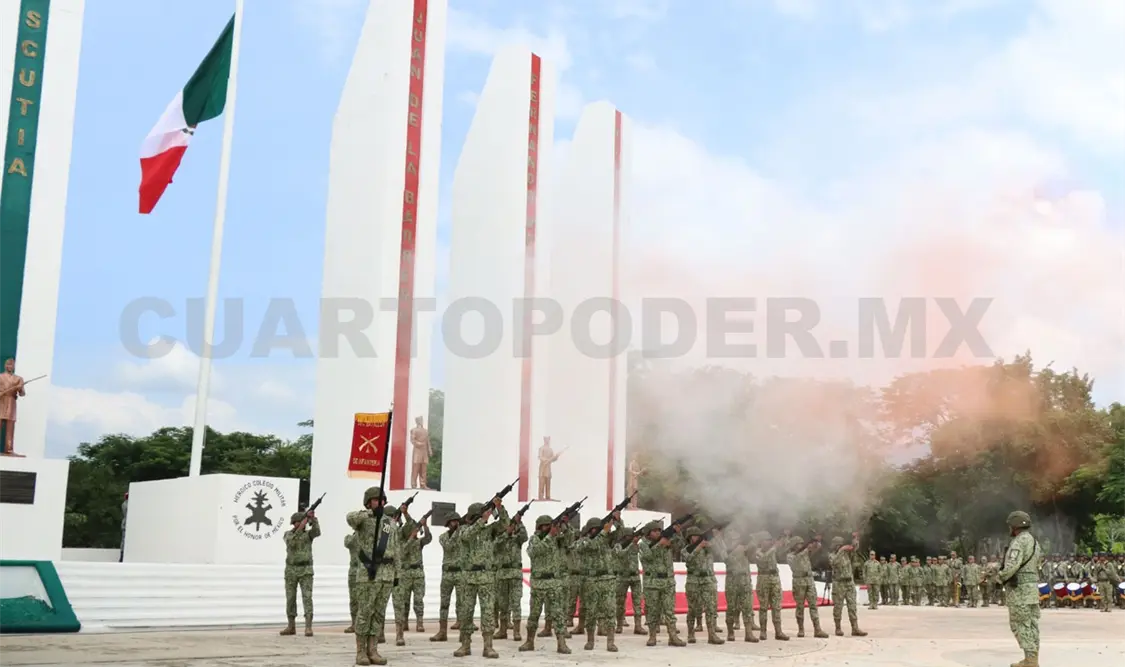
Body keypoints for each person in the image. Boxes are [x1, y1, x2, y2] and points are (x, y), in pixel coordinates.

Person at [347, 487, 401, 665]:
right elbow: (350, 518)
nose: (381, 503)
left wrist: (397, 574)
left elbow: (396, 550)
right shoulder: (363, 520)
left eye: (382, 500)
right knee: (365, 613)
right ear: (369, 502)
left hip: (386, 574)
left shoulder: (390, 524)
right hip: (369, 573)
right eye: (376, 500)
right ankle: (361, 651)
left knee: (379, 614)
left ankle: (373, 650)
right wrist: (369, 513)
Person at [453, 501, 505, 658]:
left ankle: (488, 646)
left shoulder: (490, 530)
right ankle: (465, 645)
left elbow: (505, 524)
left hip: (486, 577)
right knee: (466, 612)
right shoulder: (463, 530)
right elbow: (467, 536)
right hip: (468, 577)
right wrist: (482, 520)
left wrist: (500, 508)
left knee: (488, 612)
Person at [520, 514, 571, 653]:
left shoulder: (557, 540)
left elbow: (570, 540)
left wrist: (565, 525)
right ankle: (529, 642)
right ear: (540, 527)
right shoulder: (534, 540)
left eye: (550, 526)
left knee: (558, 615)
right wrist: (549, 536)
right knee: (534, 614)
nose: (549, 528)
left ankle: (561, 643)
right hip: (538, 583)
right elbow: (534, 552)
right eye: (546, 526)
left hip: (554, 582)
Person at [997, 510, 1041, 667]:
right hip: (1032, 589)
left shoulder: (1019, 542)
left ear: (1014, 526)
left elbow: (1012, 565)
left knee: (1019, 623)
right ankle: (1032, 658)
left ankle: (1030, 661)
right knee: (1032, 623)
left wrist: (999, 577)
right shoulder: (1034, 542)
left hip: (1019, 590)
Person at [573, 517, 619, 652]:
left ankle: (610, 642)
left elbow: (620, 535)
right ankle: (590, 640)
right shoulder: (583, 542)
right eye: (594, 529)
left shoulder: (606, 539)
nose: (596, 531)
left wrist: (617, 520)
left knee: (610, 611)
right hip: (591, 581)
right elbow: (592, 545)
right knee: (591, 612)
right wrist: (603, 532)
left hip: (607, 579)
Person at [637, 522, 686, 647]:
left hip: (668, 582)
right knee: (653, 611)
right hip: (652, 583)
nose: (658, 532)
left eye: (659, 530)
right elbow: (647, 557)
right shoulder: (643, 545)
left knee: (669, 611)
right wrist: (660, 544)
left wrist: (677, 532)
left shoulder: (667, 542)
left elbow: (680, 546)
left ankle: (673, 636)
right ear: (648, 533)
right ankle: (652, 636)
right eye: (654, 531)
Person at [280, 510, 320, 637]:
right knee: (290, 598)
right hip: (291, 570)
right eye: (299, 522)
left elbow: (317, 532)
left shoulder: (308, 535)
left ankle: (308, 626)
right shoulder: (288, 534)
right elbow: (291, 543)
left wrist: (313, 520)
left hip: (306, 570)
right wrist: (302, 525)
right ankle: (291, 626)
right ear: (294, 523)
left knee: (307, 598)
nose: (301, 524)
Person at [396, 507, 432, 641]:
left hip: (417, 573)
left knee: (418, 599)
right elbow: (403, 551)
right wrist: (411, 537)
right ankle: (404, 622)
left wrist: (425, 526)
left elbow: (428, 538)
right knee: (404, 600)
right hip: (405, 573)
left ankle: (419, 622)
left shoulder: (418, 542)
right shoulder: (402, 543)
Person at [493, 505, 528, 641]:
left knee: (516, 603)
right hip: (502, 574)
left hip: (515, 574)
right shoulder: (499, 539)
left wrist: (520, 521)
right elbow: (494, 546)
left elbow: (524, 536)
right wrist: (506, 534)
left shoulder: (517, 539)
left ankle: (517, 631)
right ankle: (502, 630)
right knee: (502, 604)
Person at [684, 527, 724, 644]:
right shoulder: (686, 549)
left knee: (711, 608)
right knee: (692, 609)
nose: (697, 538)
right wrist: (698, 548)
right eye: (694, 536)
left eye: (698, 535)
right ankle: (691, 634)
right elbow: (688, 561)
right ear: (689, 538)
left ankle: (712, 634)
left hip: (708, 581)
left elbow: (723, 553)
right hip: (693, 581)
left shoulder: (709, 548)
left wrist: (717, 539)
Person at [788, 536, 829, 638]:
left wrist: (816, 543)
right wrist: (806, 548)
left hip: (809, 580)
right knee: (800, 606)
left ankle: (817, 629)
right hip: (799, 581)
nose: (801, 546)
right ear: (794, 545)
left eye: (802, 544)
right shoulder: (790, 556)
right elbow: (796, 561)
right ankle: (801, 629)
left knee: (813, 605)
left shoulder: (805, 553)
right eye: (799, 544)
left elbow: (815, 550)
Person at [430, 513, 462, 642]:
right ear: (448, 524)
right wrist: (457, 531)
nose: (456, 524)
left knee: (462, 603)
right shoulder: (443, 537)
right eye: (453, 522)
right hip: (447, 574)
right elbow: (449, 545)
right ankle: (442, 631)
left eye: (457, 521)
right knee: (444, 603)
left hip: (460, 573)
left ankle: (462, 630)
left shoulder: (462, 535)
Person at [753, 532, 789, 641]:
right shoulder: (758, 552)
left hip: (774, 578)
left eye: (769, 540)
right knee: (763, 607)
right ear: (761, 541)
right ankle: (763, 632)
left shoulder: (773, 551)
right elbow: (763, 560)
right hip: (764, 579)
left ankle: (778, 631)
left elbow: (784, 552)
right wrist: (774, 548)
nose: (768, 542)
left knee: (776, 606)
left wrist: (784, 540)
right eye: (766, 540)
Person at [830, 535, 867, 637]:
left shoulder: (847, 554)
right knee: (838, 606)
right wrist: (841, 550)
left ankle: (855, 628)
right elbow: (834, 563)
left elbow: (854, 548)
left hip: (849, 583)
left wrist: (855, 540)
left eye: (841, 545)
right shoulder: (832, 555)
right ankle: (838, 628)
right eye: (839, 545)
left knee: (852, 606)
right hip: (839, 583)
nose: (840, 547)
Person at [0, 357, 26, 456]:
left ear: (14, 366)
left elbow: (22, 394)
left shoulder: (18, 379)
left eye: (11, 365)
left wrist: (21, 388)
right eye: (7, 364)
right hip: (1, 402)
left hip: (11, 402)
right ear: (5, 365)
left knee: (10, 427)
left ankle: (9, 450)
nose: (9, 366)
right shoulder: (0, 376)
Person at [345, 530, 360, 633]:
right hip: (354, 572)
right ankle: (354, 623)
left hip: (366, 571)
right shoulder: (350, 537)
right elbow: (348, 543)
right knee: (353, 599)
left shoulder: (369, 536)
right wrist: (358, 532)